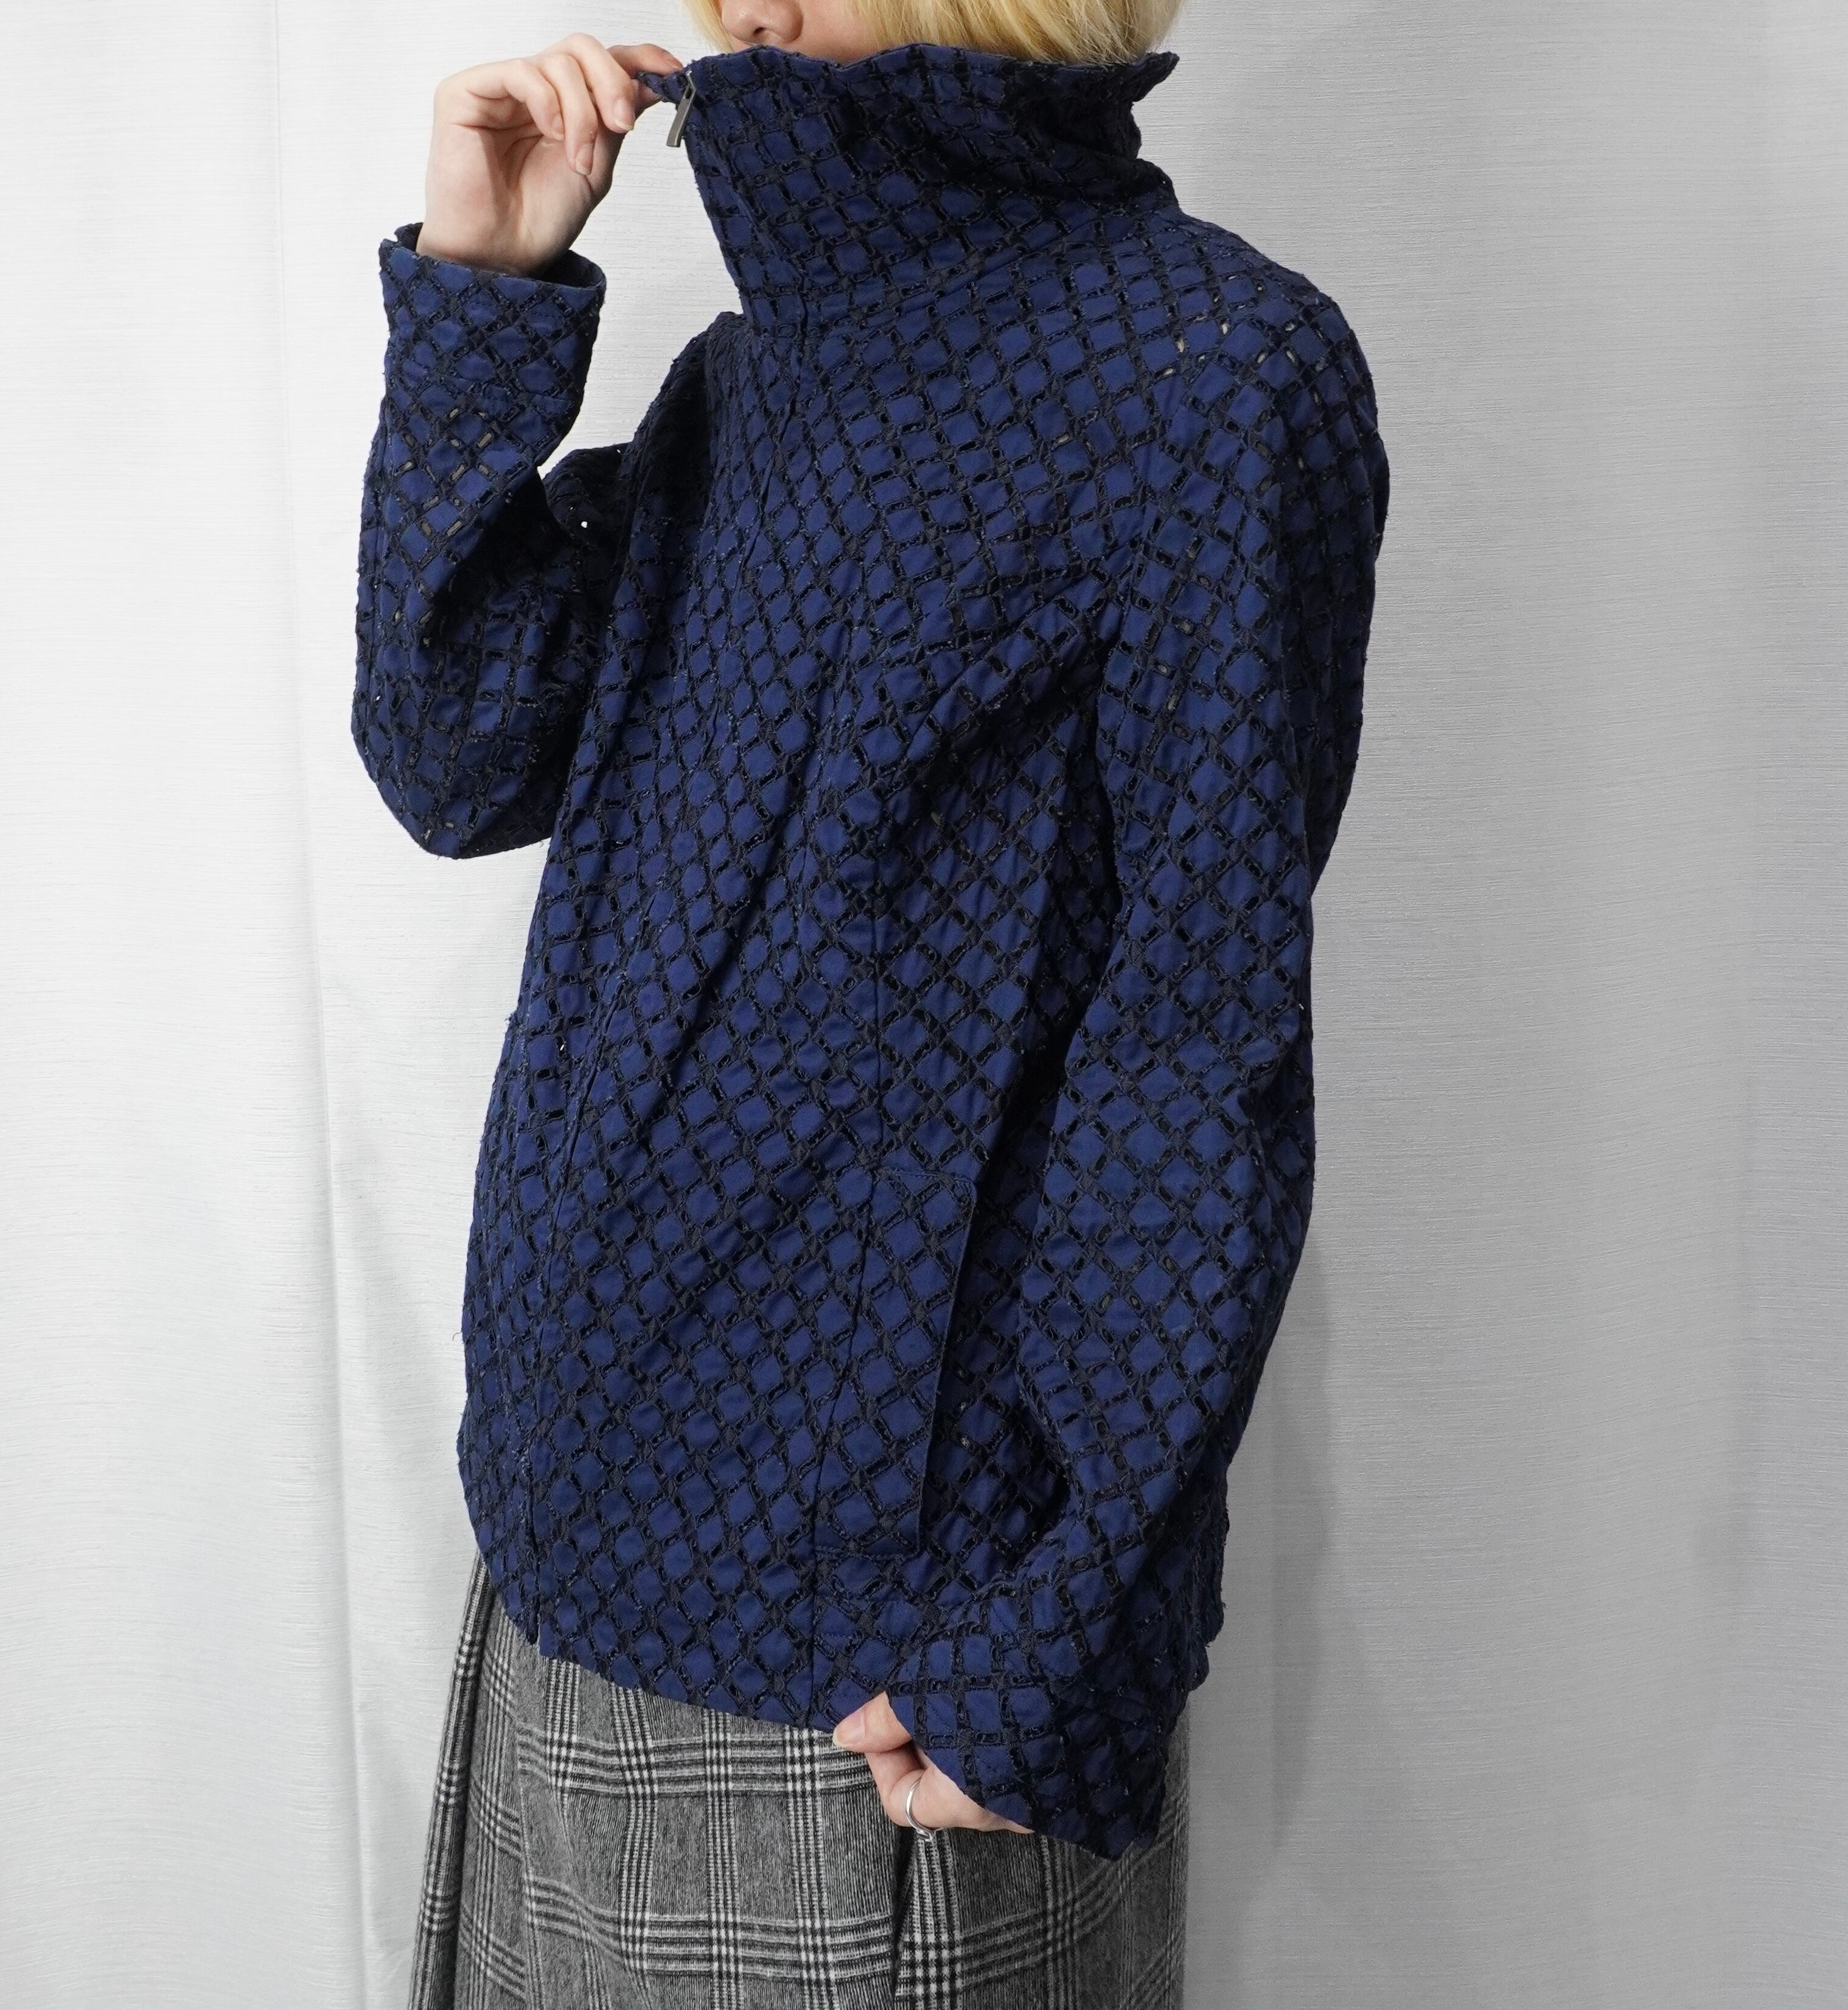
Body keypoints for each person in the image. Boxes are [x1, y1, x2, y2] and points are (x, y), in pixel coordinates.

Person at [354, 0, 1389, 1997]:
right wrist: (483, 296)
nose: (739, 8)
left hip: (870, 1663)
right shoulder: (749, 377)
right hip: (560, 1544)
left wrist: (1064, 1635)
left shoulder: (1215, 372)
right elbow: (458, 752)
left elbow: (1200, 1040)